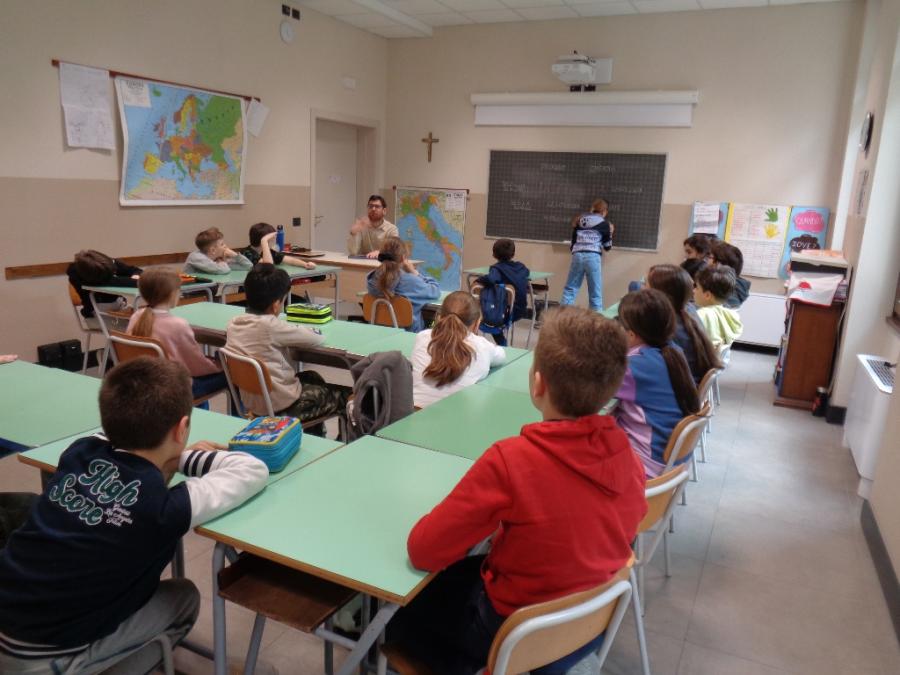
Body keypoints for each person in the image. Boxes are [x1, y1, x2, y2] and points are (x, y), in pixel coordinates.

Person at [387, 307, 647, 675]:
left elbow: (423, 550)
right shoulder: (630, 458)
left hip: (510, 631)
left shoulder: (511, 461)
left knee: (396, 616)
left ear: (538, 385)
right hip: (585, 625)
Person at [0, 357, 268, 674]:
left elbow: (111, 435)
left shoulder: (79, 451)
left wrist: (170, 453)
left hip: (9, 613)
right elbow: (252, 469)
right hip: (43, 658)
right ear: (182, 429)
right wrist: (185, 457)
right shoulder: (160, 509)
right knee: (184, 597)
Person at [225, 263, 349, 435]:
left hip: (254, 404)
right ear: (276, 305)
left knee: (312, 377)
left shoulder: (234, 323)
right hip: (281, 408)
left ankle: (313, 437)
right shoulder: (271, 326)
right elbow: (316, 338)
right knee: (348, 396)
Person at [614, 288, 701, 478]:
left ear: (631, 334)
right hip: (670, 462)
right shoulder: (673, 350)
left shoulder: (635, 368)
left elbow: (586, 387)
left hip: (646, 466)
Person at [126, 268, 227, 408]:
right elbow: (196, 366)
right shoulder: (178, 325)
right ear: (172, 294)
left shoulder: (137, 316)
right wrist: (220, 365)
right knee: (232, 376)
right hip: (175, 389)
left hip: (145, 382)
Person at [411, 291, 506, 408]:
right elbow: (501, 356)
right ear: (477, 324)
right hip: (459, 417)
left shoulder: (422, 337)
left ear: (439, 318)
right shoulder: (482, 346)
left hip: (415, 414)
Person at [646, 264, 721, 384]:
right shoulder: (688, 309)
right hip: (689, 382)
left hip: (677, 387)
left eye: (646, 285)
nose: (641, 289)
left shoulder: (665, 325)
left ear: (659, 294)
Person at [366, 237, 440, 332]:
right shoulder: (410, 281)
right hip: (409, 335)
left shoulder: (371, 279)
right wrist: (415, 272)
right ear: (403, 258)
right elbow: (435, 291)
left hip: (380, 333)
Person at [560, 199, 614, 311]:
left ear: (592, 208)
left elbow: (573, 244)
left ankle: (562, 317)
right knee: (595, 294)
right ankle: (595, 320)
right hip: (593, 256)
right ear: (604, 211)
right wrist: (611, 233)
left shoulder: (580, 220)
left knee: (570, 289)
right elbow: (607, 247)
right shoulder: (604, 224)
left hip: (577, 255)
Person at [478, 238, 530, 346]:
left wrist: (479, 280)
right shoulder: (521, 267)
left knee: (490, 322)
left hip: (504, 311)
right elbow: (527, 272)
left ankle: (503, 344)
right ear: (513, 254)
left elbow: (491, 279)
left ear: (494, 254)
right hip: (520, 309)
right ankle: (503, 342)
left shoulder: (496, 269)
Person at [67, 249, 142, 321]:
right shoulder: (78, 275)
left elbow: (135, 270)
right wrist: (135, 280)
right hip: (96, 312)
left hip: (117, 306)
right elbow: (114, 281)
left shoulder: (103, 263)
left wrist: (136, 275)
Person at [694, 264, 744, 349]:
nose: (693, 290)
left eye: (697, 287)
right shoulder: (731, 315)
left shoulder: (700, 316)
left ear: (707, 295)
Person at [240, 222, 317, 270]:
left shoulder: (267, 251)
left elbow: (290, 260)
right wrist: (264, 241)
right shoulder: (246, 253)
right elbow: (268, 267)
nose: (273, 239)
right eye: (269, 238)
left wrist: (305, 264)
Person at [183, 227, 252, 275]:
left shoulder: (217, 258)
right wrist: (223, 262)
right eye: (222, 244)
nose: (225, 246)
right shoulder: (196, 257)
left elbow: (248, 266)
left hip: (207, 291)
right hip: (190, 291)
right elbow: (224, 270)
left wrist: (235, 255)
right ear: (213, 250)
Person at [709, 240, 751, 308]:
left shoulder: (729, 292)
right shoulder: (734, 285)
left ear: (720, 264)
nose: (707, 261)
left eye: (710, 258)